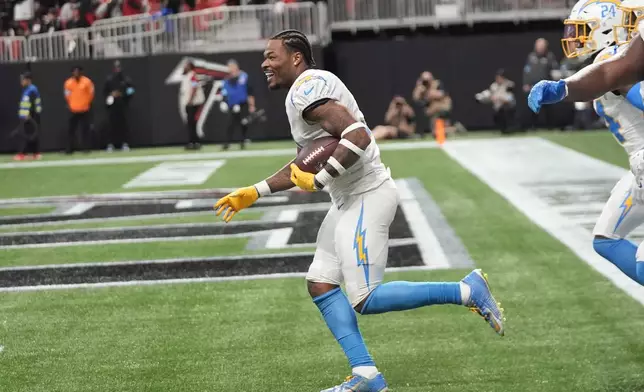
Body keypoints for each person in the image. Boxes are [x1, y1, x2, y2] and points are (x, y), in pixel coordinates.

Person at [213, 29, 505, 392]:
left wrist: (320, 180)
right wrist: (254, 192)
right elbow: (306, 160)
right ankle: (366, 374)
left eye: (272, 56)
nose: (264, 63)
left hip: (367, 193)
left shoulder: (307, 88)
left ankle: (465, 290)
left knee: (365, 297)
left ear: (296, 58)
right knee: (321, 283)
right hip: (348, 198)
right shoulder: (306, 89)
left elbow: (358, 136)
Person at [530, 0, 644, 288]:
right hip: (638, 167)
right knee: (605, 238)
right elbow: (606, 73)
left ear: (608, 28)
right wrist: (563, 88)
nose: (575, 38)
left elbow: (613, 74)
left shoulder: (615, 55)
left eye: (583, 30)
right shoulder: (612, 58)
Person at [221, 59, 256, 150]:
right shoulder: (226, 79)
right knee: (230, 124)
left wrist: (251, 105)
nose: (230, 69)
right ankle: (227, 143)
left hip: (242, 103)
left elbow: (249, 91)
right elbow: (224, 92)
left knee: (243, 123)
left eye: (231, 67)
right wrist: (224, 102)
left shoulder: (244, 76)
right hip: (232, 104)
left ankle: (242, 141)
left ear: (236, 67)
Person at [104, 60, 135, 152]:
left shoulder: (126, 80)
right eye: (116, 67)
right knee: (111, 126)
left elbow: (132, 90)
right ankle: (110, 144)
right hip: (112, 107)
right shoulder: (109, 80)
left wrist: (123, 94)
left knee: (123, 125)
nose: (117, 69)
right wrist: (111, 94)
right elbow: (104, 92)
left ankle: (125, 144)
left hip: (123, 106)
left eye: (119, 67)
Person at [475, 69, 516, 134]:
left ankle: (508, 128)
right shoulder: (494, 85)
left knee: (503, 110)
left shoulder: (509, 85)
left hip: (508, 106)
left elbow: (509, 99)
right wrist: (481, 96)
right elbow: (490, 93)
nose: (498, 79)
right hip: (498, 106)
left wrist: (499, 98)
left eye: (499, 77)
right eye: (497, 77)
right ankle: (502, 128)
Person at [64, 65, 94, 154]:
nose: (76, 73)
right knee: (71, 130)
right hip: (73, 109)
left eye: (78, 71)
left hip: (84, 109)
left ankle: (86, 149)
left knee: (85, 130)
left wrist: (86, 103)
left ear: (81, 72)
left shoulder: (87, 82)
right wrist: (72, 104)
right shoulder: (68, 83)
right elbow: (67, 95)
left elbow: (91, 94)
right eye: (74, 71)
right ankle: (69, 149)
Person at [14, 71, 42, 161]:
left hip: (30, 117)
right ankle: (36, 153)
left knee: (26, 135)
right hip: (26, 117)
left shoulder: (32, 90)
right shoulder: (26, 90)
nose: (21, 82)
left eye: (23, 80)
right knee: (31, 135)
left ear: (28, 80)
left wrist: (30, 115)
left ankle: (22, 154)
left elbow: (34, 104)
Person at [180, 60, 205, 150]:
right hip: (189, 102)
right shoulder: (187, 76)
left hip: (193, 102)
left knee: (191, 123)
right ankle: (193, 141)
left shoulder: (192, 75)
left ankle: (194, 142)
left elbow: (194, 87)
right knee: (190, 123)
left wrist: (190, 100)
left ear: (190, 66)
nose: (184, 67)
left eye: (186, 65)